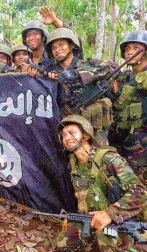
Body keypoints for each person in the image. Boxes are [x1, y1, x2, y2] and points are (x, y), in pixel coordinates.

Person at [56, 115, 147, 251]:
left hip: (121, 220)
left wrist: (109, 214)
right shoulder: (73, 164)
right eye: (63, 135)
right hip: (93, 220)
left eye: (72, 133)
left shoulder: (108, 159)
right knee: (63, 243)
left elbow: (140, 192)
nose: (66, 138)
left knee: (106, 241)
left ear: (86, 135)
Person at [45, 27, 116, 147]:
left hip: (93, 125)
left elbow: (112, 67)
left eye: (61, 44)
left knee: (99, 156)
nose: (57, 50)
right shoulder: (50, 72)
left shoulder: (87, 64)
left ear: (71, 46)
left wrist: (77, 74)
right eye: (54, 48)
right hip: (66, 128)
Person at [108, 30, 147, 185]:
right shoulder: (125, 78)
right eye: (127, 49)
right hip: (123, 145)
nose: (130, 52)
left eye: (135, 47)